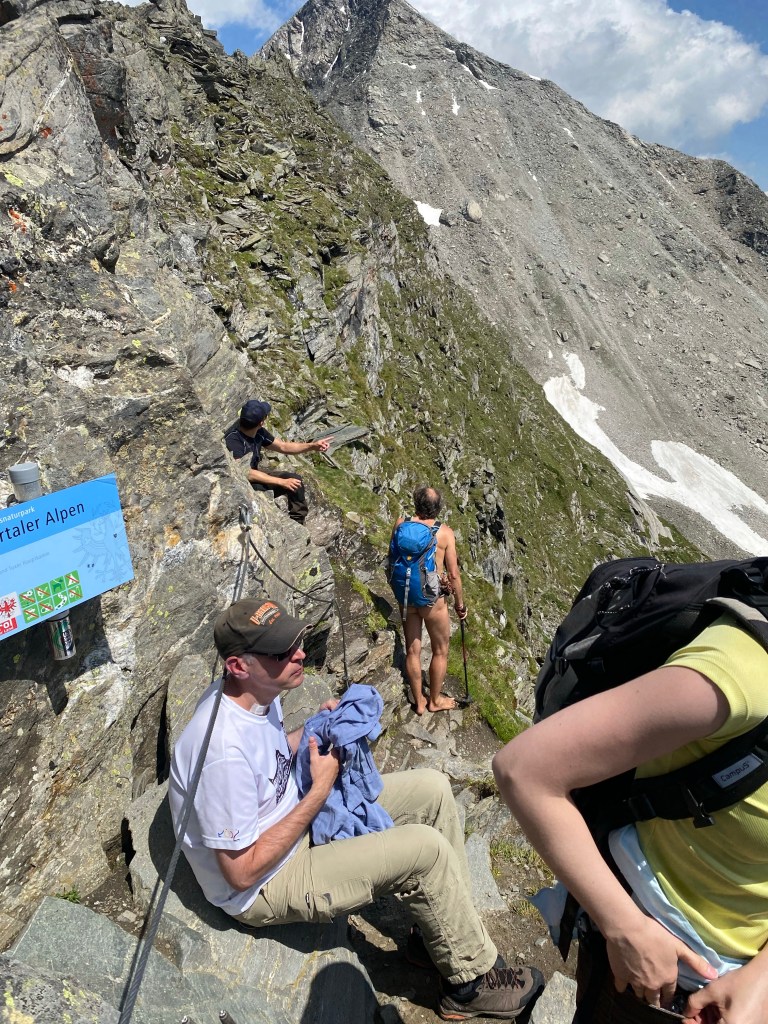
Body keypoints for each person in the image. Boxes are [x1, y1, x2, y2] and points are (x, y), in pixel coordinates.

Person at [169, 597, 543, 1021]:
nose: (299, 654)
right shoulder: (220, 751)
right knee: (425, 851)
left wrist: (314, 729)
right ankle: (468, 984)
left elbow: (268, 758)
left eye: (296, 641)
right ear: (238, 665)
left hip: (289, 822)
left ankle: (442, 939)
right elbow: (241, 872)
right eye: (281, 652)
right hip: (265, 882)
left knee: (434, 791)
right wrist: (318, 792)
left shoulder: (256, 693)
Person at [492, 612, 768, 1023]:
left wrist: (760, 981)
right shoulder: (745, 671)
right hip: (653, 980)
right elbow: (523, 771)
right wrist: (626, 930)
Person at [389, 486, 468, 714]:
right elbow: (453, 574)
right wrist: (460, 604)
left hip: (406, 595)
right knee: (440, 650)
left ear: (416, 502)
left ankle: (419, 702)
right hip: (432, 601)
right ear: (438, 508)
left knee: (412, 650)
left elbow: (392, 557)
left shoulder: (401, 523)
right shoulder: (444, 533)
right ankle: (434, 700)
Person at [223, 399, 332, 524]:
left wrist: (312, 446)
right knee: (285, 483)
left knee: (294, 480)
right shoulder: (233, 440)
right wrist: (281, 482)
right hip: (245, 484)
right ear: (261, 422)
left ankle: (298, 522)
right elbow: (245, 472)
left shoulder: (259, 433)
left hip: (255, 476)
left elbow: (283, 447)